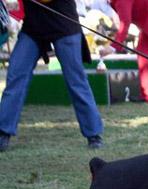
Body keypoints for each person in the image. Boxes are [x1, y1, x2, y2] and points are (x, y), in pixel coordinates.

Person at [0, 0, 104, 152]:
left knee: (76, 81)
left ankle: (94, 134)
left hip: (64, 24)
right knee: (16, 74)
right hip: (33, 27)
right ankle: (3, 132)